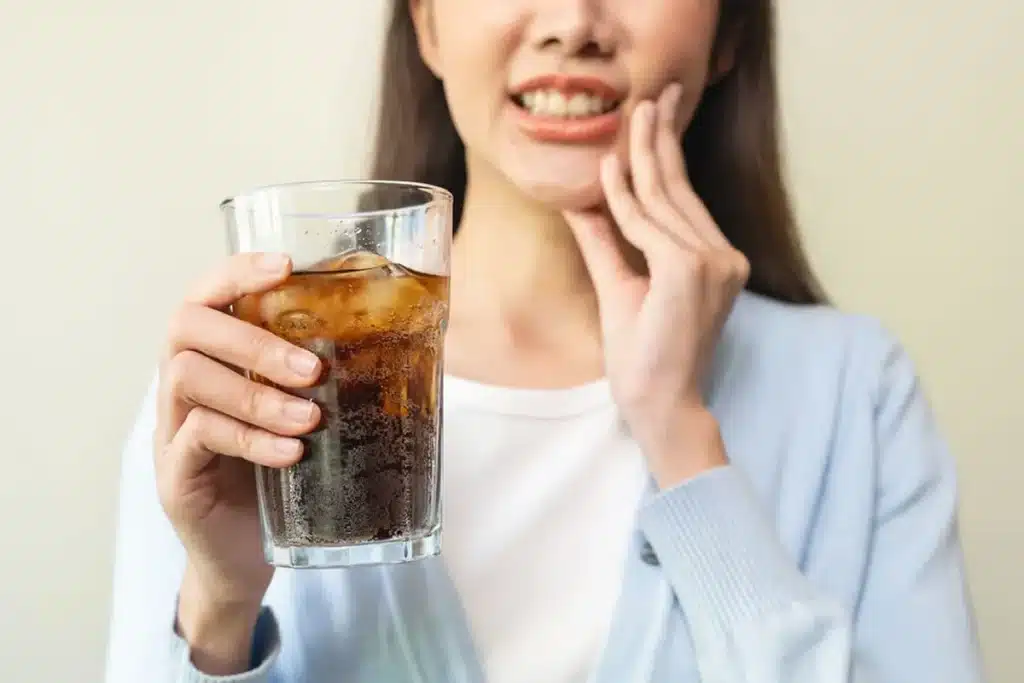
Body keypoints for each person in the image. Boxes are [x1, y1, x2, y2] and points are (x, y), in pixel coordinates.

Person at [105, 1, 986, 682]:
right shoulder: (240, 385)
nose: (574, 25)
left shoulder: (857, 394)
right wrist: (219, 605)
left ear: (728, 36)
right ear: (426, 21)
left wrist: (682, 437)